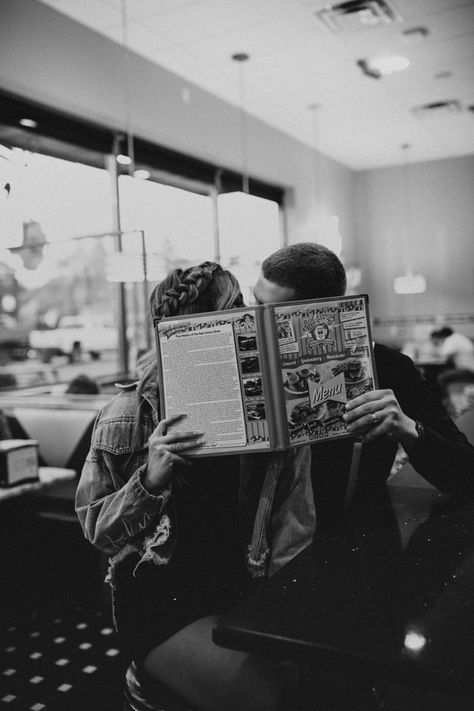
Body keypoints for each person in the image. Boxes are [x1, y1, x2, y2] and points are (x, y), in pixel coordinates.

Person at [76, 261, 292, 711]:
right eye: (237, 312)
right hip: (163, 604)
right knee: (273, 698)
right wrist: (150, 478)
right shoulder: (129, 412)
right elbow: (97, 528)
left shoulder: (258, 400)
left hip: (240, 585)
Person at [252, 243, 474, 534]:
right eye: (254, 304)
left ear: (320, 316)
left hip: (352, 539)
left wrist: (407, 428)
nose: (255, 322)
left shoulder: (389, 367)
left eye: (271, 314)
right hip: (257, 539)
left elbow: (466, 475)